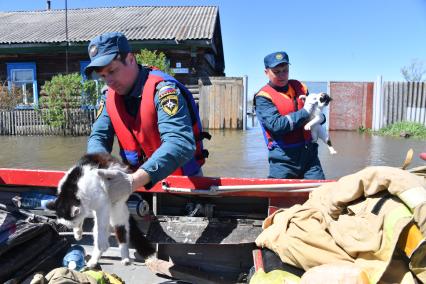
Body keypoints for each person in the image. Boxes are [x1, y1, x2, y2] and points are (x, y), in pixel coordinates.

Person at [84, 31, 209, 191]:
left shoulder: (164, 91)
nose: (109, 81)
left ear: (130, 59)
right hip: (137, 183)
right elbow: (99, 137)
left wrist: (133, 181)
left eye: (112, 71)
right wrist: (97, 169)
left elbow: (180, 143)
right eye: (102, 76)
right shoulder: (108, 97)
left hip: (183, 184)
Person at [254, 51, 325, 179]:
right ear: (266, 72)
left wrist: (320, 117)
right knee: (280, 198)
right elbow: (277, 125)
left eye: (285, 70)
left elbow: (314, 112)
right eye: (276, 72)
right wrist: (305, 112)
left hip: (309, 156)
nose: (282, 75)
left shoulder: (301, 87)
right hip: (283, 160)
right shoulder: (263, 97)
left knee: (321, 194)